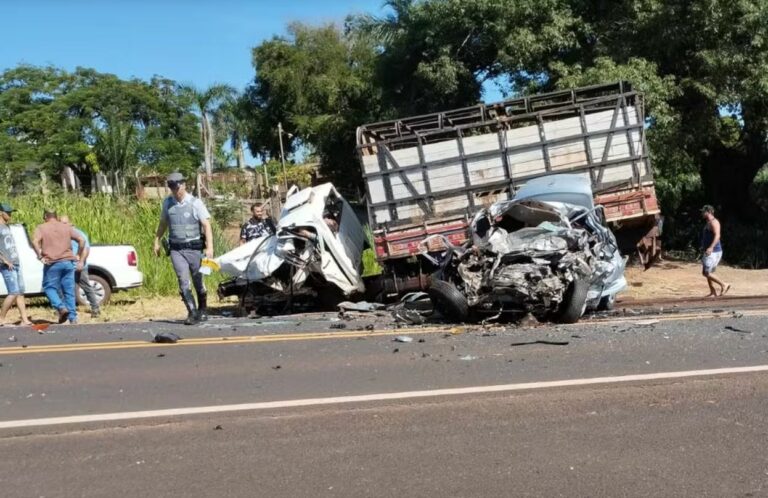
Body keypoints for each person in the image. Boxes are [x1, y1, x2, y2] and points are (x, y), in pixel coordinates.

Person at [153, 172, 214, 325]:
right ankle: (192, 312)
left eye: (176, 187)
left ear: (184, 185)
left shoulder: (195, 203)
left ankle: (203, 310)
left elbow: (206, 225)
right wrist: (156, 241)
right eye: (171, 187)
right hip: (176, 249)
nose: (175, 190)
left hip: (194, 248)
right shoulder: (168, 203)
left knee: (198, 280)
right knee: (182, 280)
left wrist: (210, 248)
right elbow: (163, 223)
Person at [32, 210, 86, 324]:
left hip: (52, 263)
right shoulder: (66, 227)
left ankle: (61, 307)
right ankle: (73, 318)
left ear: (45, 217)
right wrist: (78, 255)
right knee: (69, 290)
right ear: (56, 217)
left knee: (49, 287)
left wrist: (40, 256)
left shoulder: (41, 228)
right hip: (68, 262)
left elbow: (35, 241)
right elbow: (82, 239)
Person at [59, 215, 100, 318]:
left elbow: (86, 249)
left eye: (64, 223)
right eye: (60, 224)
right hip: (67, 267)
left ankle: (95, 308)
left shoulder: (78, 234)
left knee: (86, 287)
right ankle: (65, 310)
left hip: (79, 265)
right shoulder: (61, 235)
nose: (62, 226)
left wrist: (81, 262)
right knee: (65, 288)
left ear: (70, 223)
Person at [0, 204, 32, 326]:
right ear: (1, 213)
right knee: (13, 292)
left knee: (19, 293)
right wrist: (5, 260)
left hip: (15, 262)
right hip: (7, 265)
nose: (10, 215)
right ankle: (1, 318)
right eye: (8, 212)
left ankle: (24, 319)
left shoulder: (6, 227)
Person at [700, 205, 731, 297]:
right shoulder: (708, 222)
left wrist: (711, 247)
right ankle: (712, 291)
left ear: (709, 212)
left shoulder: (714, 222)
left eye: (703, 212)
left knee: (706, 272)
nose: (702, 213)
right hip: (710, 250)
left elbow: (717, 236)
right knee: (708, 272)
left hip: (714, 251)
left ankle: (724, 284)